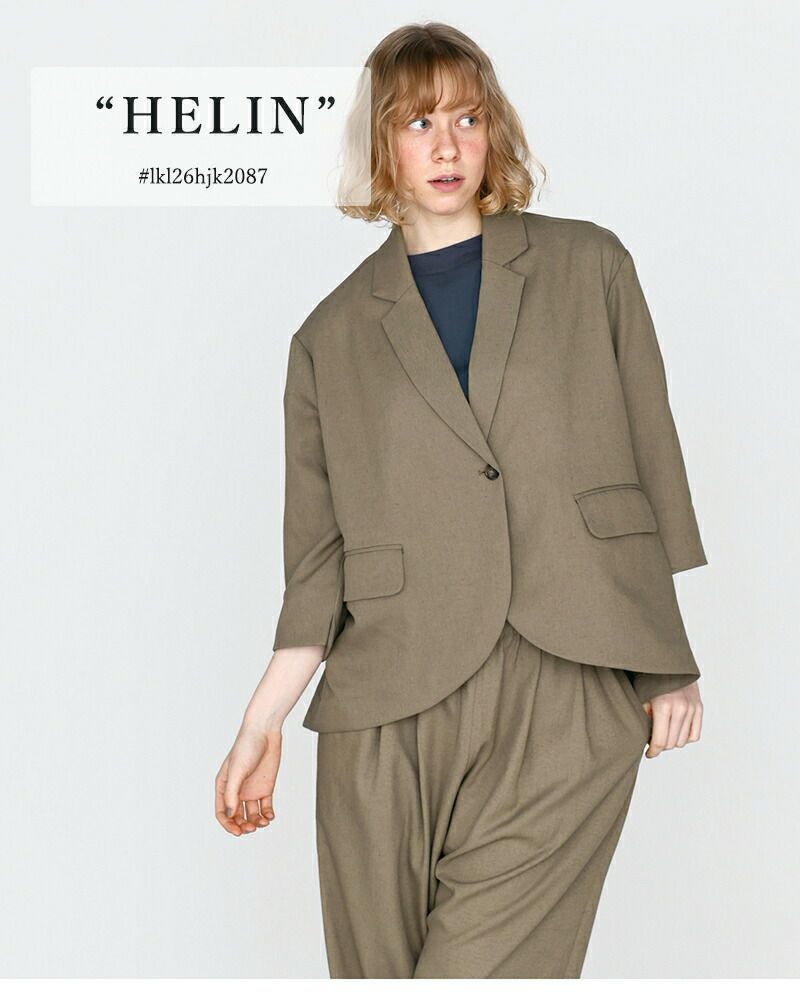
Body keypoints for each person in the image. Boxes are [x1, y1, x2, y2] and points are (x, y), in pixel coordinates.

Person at [215, 21, 708, 979]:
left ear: (494, 131)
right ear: (380, 144)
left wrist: (665, 660)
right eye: (418, 123)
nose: (447, 145)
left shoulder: (590, 267)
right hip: (383, 711)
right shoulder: (327, 339)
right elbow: (317, 564)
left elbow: (646, 461)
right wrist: (261, 720)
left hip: (563, 676)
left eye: (468, 118)